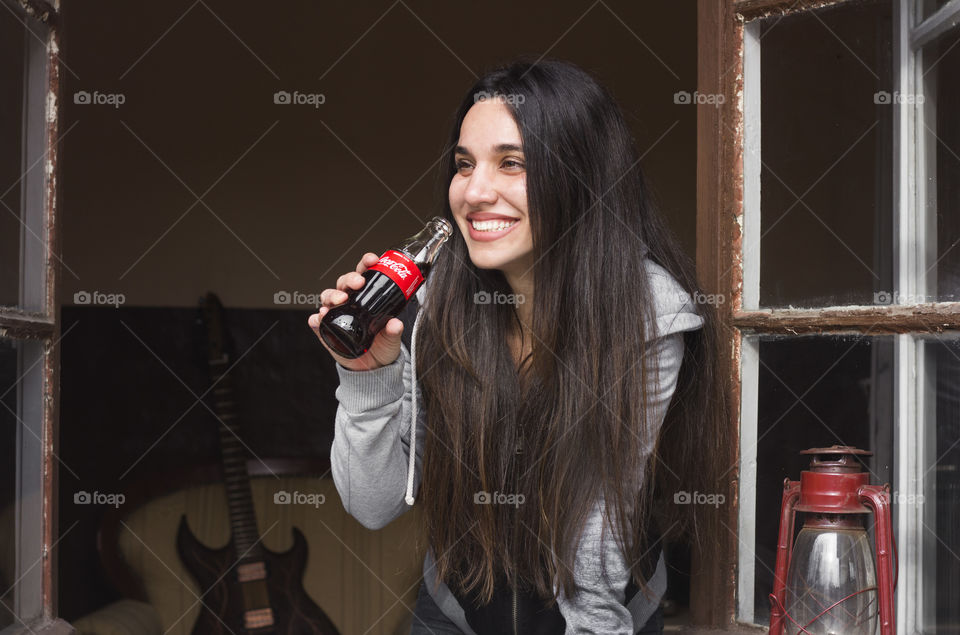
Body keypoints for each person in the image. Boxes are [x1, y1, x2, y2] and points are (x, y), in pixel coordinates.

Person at [308, 59, 728, 635]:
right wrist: (365, 376)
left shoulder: (649, 313)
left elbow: (600, 522)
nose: (475, 192)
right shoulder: (443, 299)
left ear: (582, 176)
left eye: (512, 163)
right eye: (464, 164)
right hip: (452, 615)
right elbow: (372, 505)